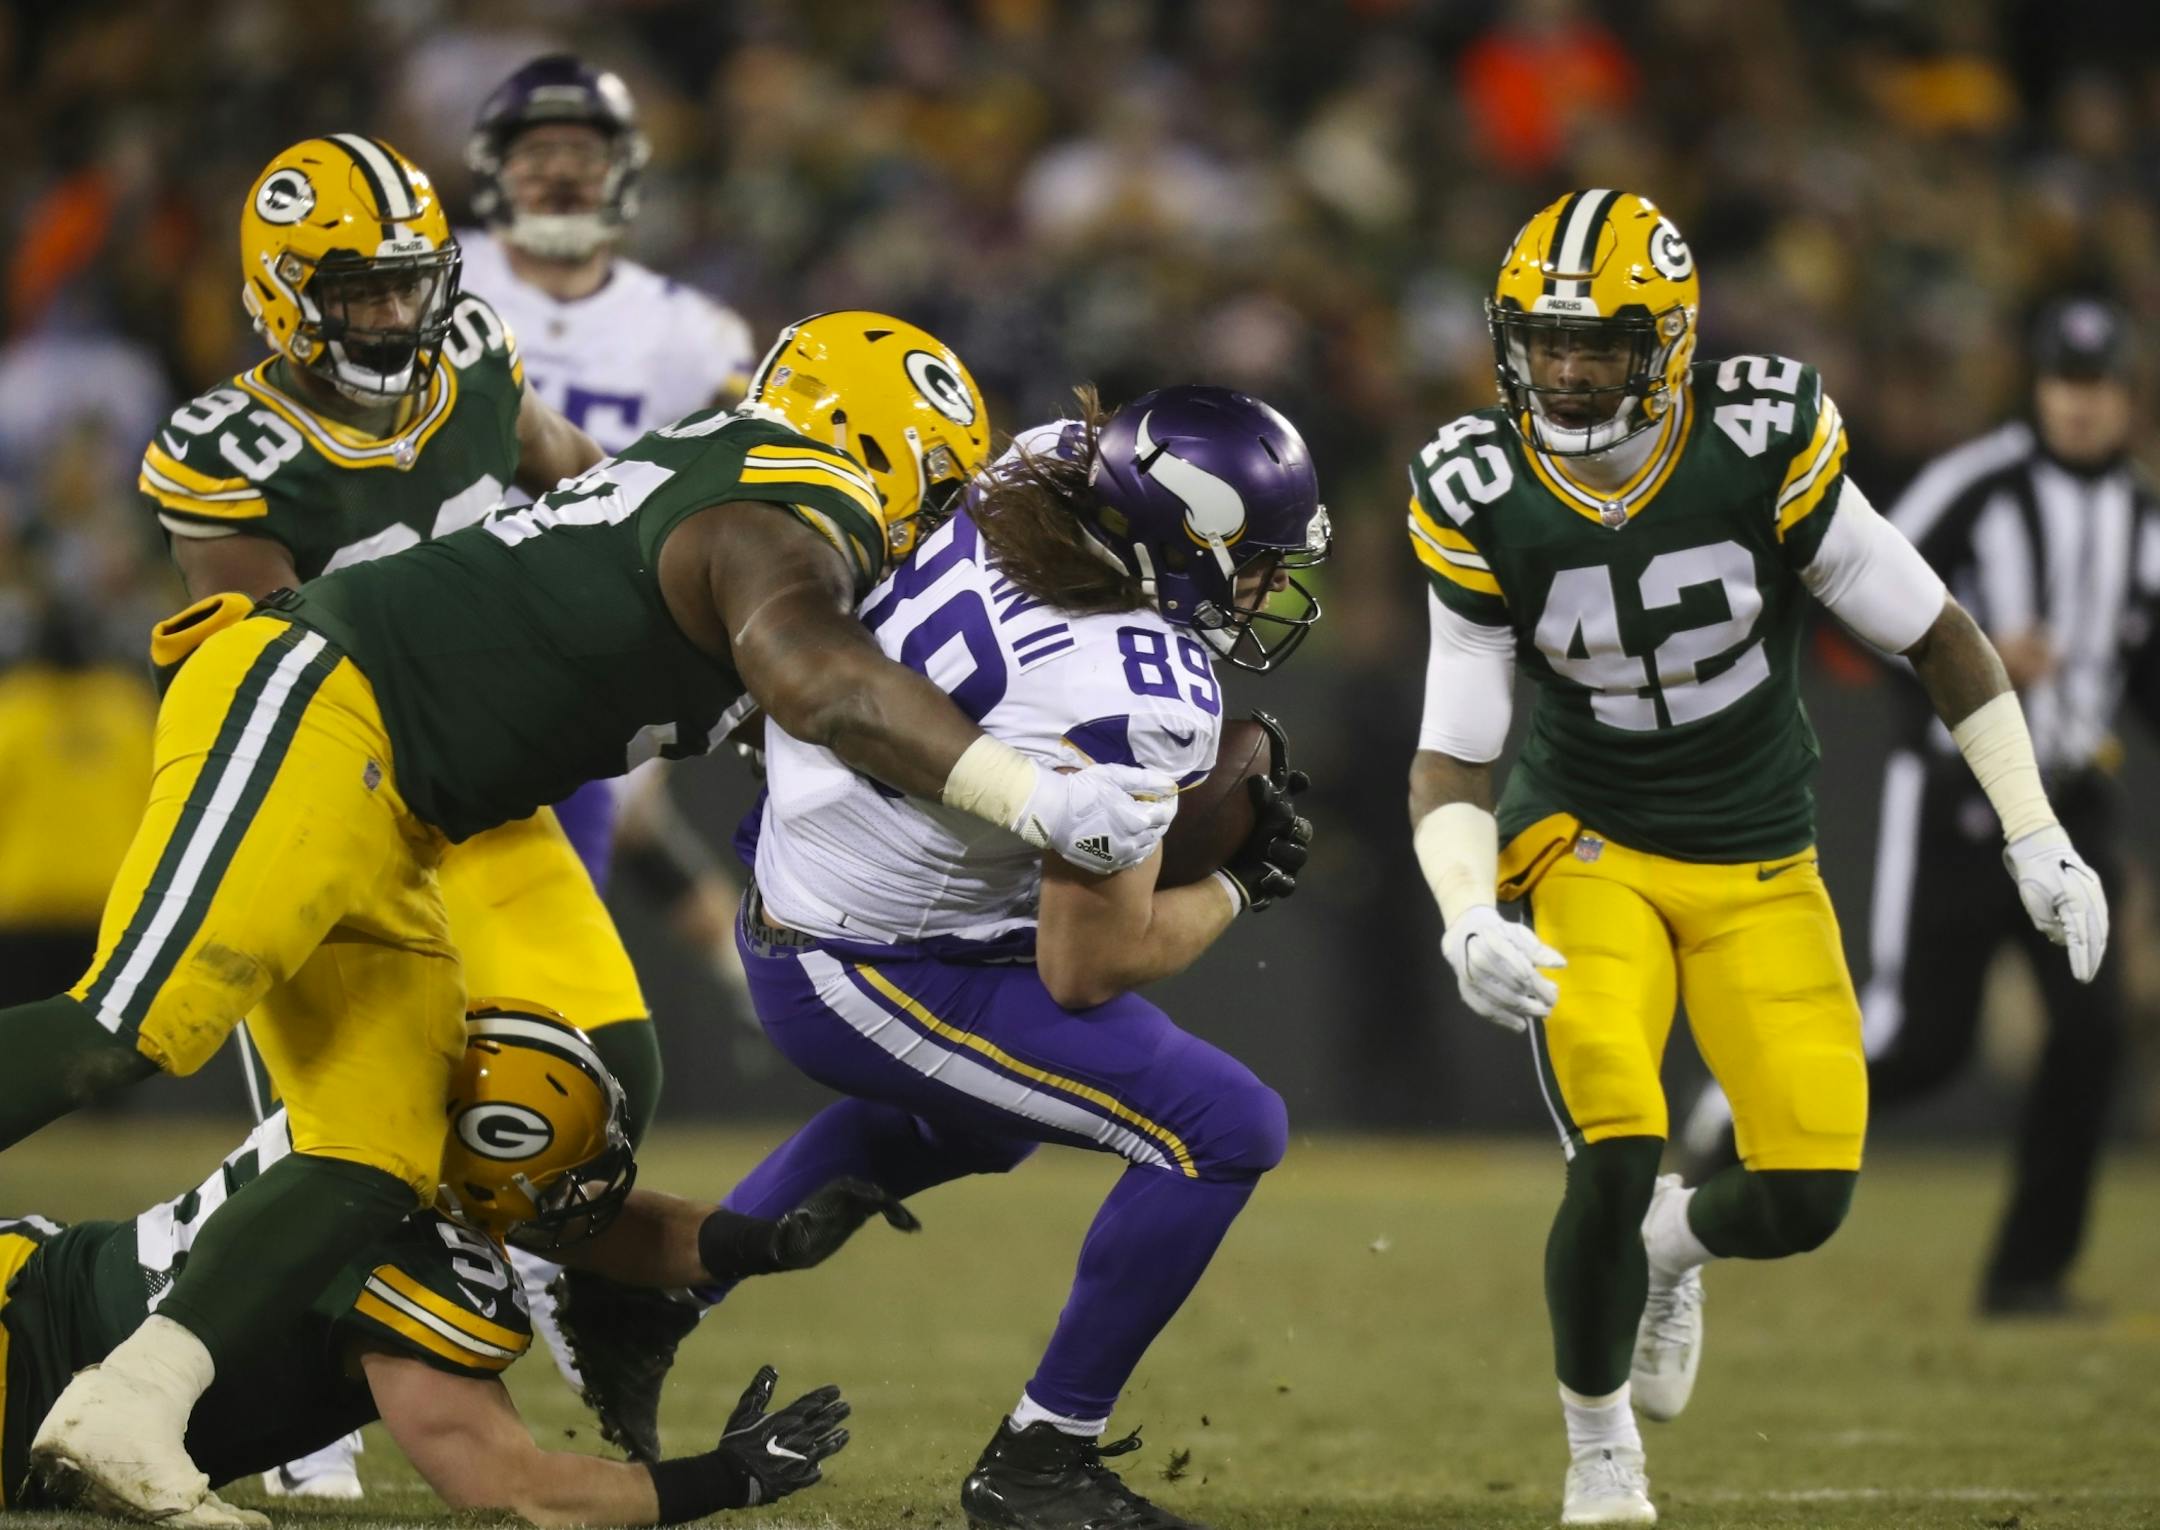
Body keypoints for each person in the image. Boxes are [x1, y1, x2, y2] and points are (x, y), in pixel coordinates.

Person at [2, 309, 1175, 1530]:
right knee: (134, 1024)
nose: (931, 532)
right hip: (319, 704)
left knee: (373, 1150)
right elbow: (822, 680)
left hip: (407, 806)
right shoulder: (783, 499)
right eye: (934, 492)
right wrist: (1032, 795)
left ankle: (126, 1408)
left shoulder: (723, 482)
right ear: (874, 443)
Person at [1404, 191, 2110, 1526]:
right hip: (1586, 846)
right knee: (1616, 1138)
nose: (1562, 370)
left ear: (1666, 343)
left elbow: (1939, 631)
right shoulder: (1480, 487)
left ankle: (1673, 1247)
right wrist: (1461, 909)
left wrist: (2034, 831)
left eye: (1595, 344)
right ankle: (1599, 1446)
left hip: (1759, 854)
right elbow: (1454, 748)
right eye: (1541, 341)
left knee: (1802, 1193)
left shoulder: (1758, 442)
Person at [590, 385, 1326, 1530]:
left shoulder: (1044, 466)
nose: (1269, 591)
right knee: (1223, 1129)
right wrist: (1237, 884)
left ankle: (656, 1300)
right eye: (1256, 563)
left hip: (824, 858)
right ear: (1184, 538)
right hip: (872, 959)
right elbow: (1088, 966)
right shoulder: (1138, 695)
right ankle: (1042, 1459)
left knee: (986, 1122)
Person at [1679, 295, 2157, 1316]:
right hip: (1952, 797)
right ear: (2038, 386)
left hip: (2077, 801)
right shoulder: (1977, 485)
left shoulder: (2145, 517)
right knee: (1919, 1038)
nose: (2079, 407)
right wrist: (1981, 661)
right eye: (2065, 383)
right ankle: (1742, 1111)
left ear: (2125, 397)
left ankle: (2029, 1273)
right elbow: (1867, 609)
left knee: (2091, 1032)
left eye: (2098, 386)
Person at [5, 1002, 906, 1524]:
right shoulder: (411, 1271)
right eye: (565, 1179)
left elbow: (593, 1224)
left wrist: (761, 1242)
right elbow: (510, 1486)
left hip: (32, 1270)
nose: (583, 1199)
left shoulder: (373, 1140)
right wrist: (723, 1479)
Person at [448, 54, 766, 1435]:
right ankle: (358, 1330)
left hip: (588, 716)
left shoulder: (695, 332)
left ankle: (546, 1279)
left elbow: (757, 484)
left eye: (584, 146)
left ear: (625, 167)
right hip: (426, 681)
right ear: (493, 166)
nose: (560, 168)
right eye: (537, 147)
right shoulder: (432, 283)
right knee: (401, 1025)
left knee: (558, 1046)